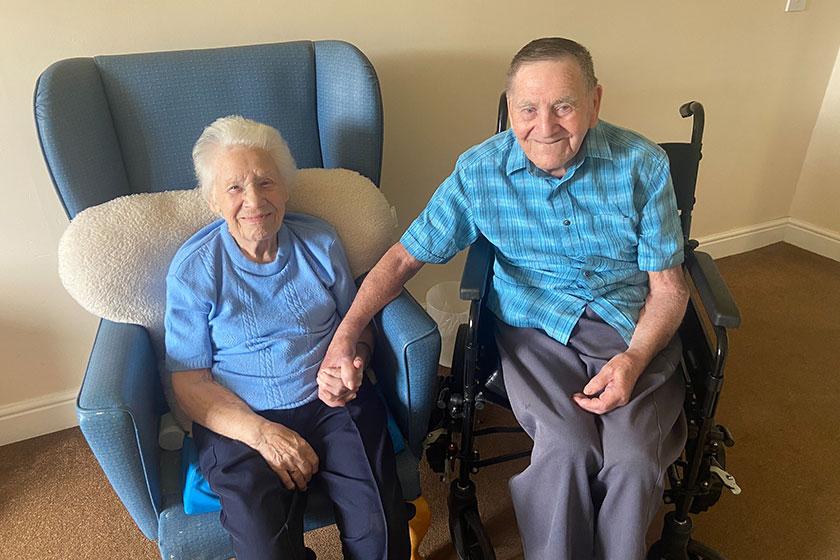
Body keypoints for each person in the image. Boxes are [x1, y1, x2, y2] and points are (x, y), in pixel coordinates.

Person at [319, 38, 689, 560]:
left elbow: (669, 288)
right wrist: (347, 333)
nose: (546, 127)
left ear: (595, 101)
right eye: (528, 108)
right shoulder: (480, 172)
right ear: (510, 106)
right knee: (567, 447)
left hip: (629, 326)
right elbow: (404, 258)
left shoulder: (642, 166)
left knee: (632, 459)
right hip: (534, 328)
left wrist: (634, 359)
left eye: (564, 105)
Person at [164, 115, 410, 560]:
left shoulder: (320, 242)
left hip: (332, 403)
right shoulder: (195, 269)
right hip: (240, 418)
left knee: (381, 532)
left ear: (286, 187)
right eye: (235, 187)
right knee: (265, 551)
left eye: (266, 182)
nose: (254, 200)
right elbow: (189, 381)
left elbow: (358, 328)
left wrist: (352, 364)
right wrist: (261, 435)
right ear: (213, 199)